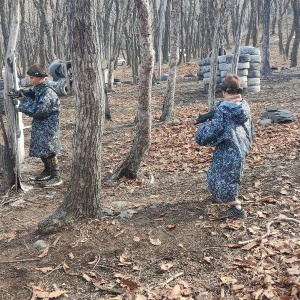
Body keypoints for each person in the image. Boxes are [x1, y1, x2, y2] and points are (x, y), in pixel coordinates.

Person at [195, 74, 255, 219]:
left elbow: (213, 132)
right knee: (218, 175)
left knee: (226, 179)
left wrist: (202, 128)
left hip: (230, 149)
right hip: (239, 147)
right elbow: (251, 129)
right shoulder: (243, 107)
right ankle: (221, 197)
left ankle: (237, 209)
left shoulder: (224, 111)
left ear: (224, 91)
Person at [18, 64, 62, 187]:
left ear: (40, 77)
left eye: (32, 78)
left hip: (48, 126)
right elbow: (32, 93)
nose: (30, 80)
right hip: (41, 125)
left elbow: (39, 110)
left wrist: (23, 102)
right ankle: (48, 171)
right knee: (42, 148)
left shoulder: (47, 91)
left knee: (49, 150)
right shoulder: (39, 88)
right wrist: (21, 93)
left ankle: (56, 176)